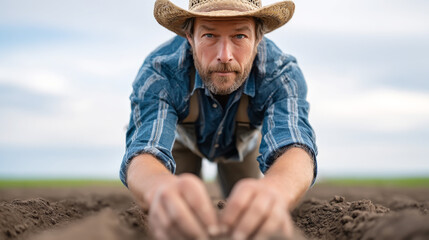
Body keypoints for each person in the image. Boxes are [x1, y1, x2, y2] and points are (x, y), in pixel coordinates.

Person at [120, 0, 318, 239]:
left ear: (258, 39)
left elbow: (294, 145)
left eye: (240, 36)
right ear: (190, 37)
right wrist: (157, 188)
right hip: (181, 143)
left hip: (241, 147)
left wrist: (276, 191)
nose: (225, 56)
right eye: (210, 35)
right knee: (179, 209)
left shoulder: (279, 73)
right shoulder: (161, 72)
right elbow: (144, 150)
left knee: (251, 213)